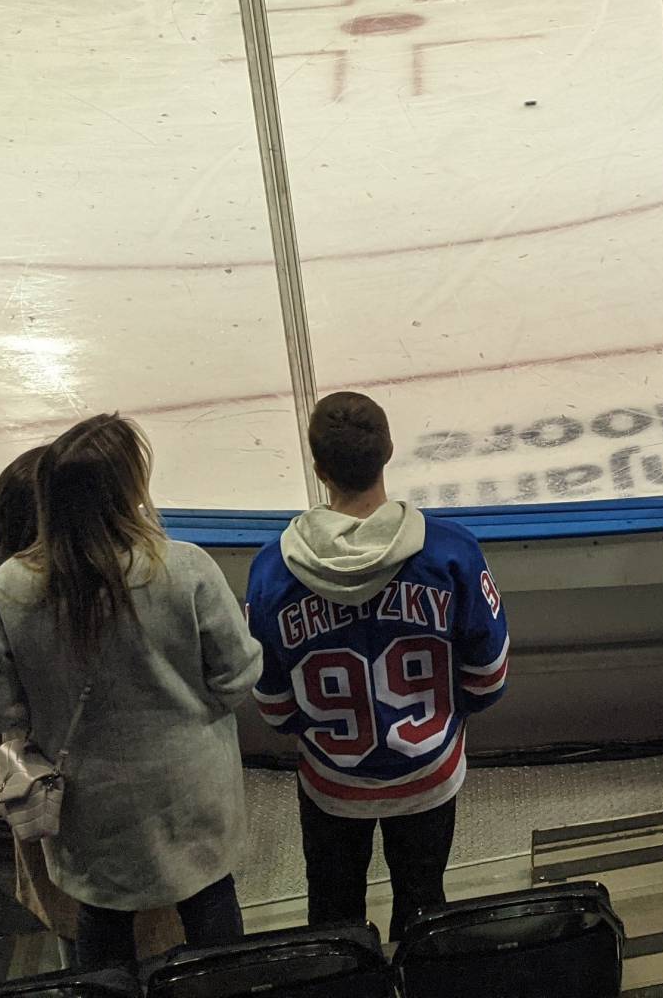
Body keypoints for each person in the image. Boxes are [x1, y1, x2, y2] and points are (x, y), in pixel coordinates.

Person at [0, 415, 262, 972]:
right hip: (191, 790)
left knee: (100, 916)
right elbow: (238, 676)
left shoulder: (11, 586)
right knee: (210, 904)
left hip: (88, 801)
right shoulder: (185, 568)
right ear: (127, 490)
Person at [246, 392, 509, 941]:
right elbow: (488, 677)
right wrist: (442, 720)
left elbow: (272, 703)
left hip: (331, 781)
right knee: (423, 908)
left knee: (332, 918)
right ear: (388, 452)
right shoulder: (452, 553)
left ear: (318, 468)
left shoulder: (273, 572)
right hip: (426, 773)